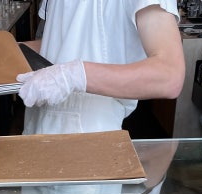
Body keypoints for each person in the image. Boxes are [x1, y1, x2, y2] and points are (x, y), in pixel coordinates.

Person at [15, 0, 185, 135]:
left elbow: (169, 74)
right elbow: (59, 43)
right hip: (38, 127)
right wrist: (6, 53)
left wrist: (74, 76)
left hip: (90, 137)